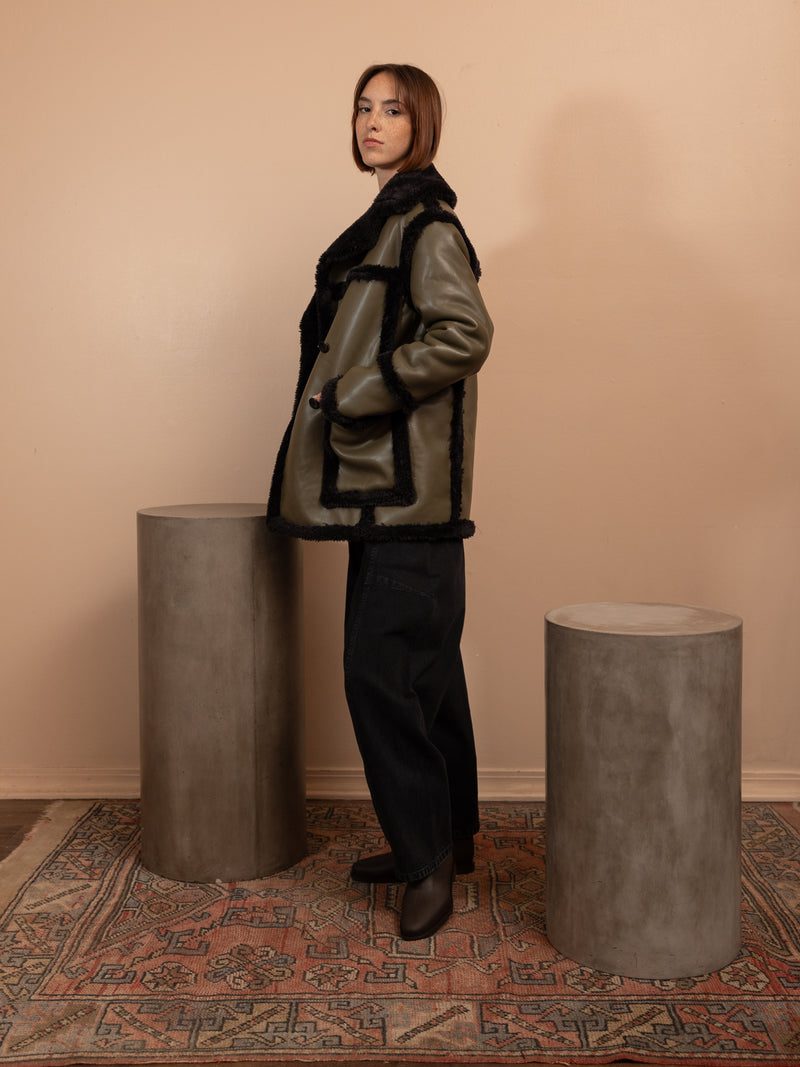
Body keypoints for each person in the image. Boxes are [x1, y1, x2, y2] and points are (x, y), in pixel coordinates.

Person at [267, 63, 493, 939]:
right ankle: (447, 838)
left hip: (406, 494)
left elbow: (464, 333)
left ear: (421, 123)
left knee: (380, 673)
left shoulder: (425, 226)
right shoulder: (390, 222)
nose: (372, 121)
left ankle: (425, 859)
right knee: (426, 671)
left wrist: (357, 390)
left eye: (392, 109)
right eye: (364, 108)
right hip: (383, 490)